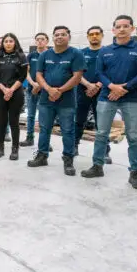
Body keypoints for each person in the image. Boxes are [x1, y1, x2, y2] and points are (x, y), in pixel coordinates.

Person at [81, 15, 137, 189]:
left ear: (132, 28)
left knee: (133, 136)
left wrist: (124, 88)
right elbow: (100, 73)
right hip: (107, 96)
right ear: (113, 30)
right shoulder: (105, 50)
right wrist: (112, 87)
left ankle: (135, 172)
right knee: (101, 133)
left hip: (131, 98)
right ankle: (97, 165)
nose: (122, 29)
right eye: (118, 27)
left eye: (125, 26)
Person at [28, 26, 84, 174]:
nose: (59, 37)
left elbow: (77, 76)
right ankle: (42, 156)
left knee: (68, 130)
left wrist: (59, 90)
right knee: (44, 129)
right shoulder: (45, 55)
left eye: (63, 34)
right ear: (53, 37)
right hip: (46, 99)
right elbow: (39, 75)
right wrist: (49, 89)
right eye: (57, 34)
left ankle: (68, 159)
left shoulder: (76, 54)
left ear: (69, 37)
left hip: (67, 101)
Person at [74, 26, 111, 164]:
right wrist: (89, 85)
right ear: (87, 36)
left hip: (102, 92)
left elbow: (110, 71)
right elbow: (76, 72)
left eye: (97, 34)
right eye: (91, 34)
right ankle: (74, 146)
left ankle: (104, 151)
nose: (94, 36)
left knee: (102, 123)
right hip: (82, 91)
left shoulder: (108, 52)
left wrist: (98, 85)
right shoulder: (81, 53)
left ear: (102, 35)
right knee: (79, 120)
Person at [0, 34, 27, 160]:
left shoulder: (21, 57)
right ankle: (0, 146)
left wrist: (11, 90)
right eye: (6, 41)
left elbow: (22, 76)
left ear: (15, 42)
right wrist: (4, 89)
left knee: (14, 121)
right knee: (2, 121)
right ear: (3, 44)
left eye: (11, 41)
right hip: (0, 92)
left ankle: (15, 148)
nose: (8, 43)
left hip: (16, 92)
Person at [20, 32, 50, 147]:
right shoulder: (31, 56)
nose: (40, 41)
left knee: (45, 117)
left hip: (46, 91)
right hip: (31, 90)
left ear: (47, 41)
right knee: (31, 116)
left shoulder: (51, 55)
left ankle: (45, 141)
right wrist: (33, 84)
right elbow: (26, 72)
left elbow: (52, 73)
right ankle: (29, 138)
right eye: (37, 39)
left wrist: (41, 85)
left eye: (42, 39)